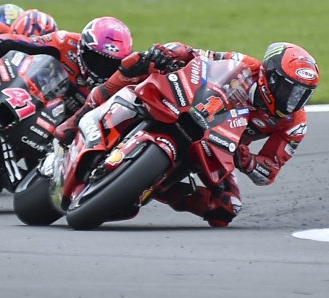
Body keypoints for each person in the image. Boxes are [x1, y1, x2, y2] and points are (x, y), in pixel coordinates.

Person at [54, 41, 320, 227]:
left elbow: (268, 172)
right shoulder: (243, 65)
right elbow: (196, 56)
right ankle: (78, 119)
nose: (294, 100)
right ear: (269, 76)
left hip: (218, 146)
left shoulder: (293, 123)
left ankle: (157, 187)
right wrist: (172, 52)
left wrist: (245, 159)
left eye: (302, 93)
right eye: (290, 89)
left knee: (226, 209)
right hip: (191, 107)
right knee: (140, 62)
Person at [0, 16, 133, 118]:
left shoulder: (121, 80)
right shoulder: (65, 42)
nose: (102, 66)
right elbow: (21, 42)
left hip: (54, 130)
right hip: (23, 95)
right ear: (82, 46)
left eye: (111, 63)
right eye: (96, 57)